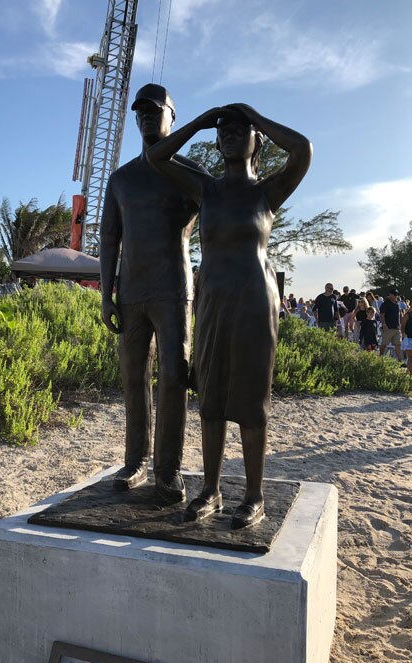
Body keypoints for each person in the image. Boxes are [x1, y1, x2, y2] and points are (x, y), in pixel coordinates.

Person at [148, 101, 311, 529]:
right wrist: (204, 121)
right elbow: (156, 156)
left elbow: (303, 149)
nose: (231, 133)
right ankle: (211, 490)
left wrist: (256, 116)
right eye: (225, 130)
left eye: (240, 130)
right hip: (214, 301)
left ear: (256, 140)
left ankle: (254, 496)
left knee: (253, 402)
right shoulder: (206, 188)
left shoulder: (268, 192)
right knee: (212, 399)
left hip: (255, 303)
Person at [99, 83, 210, 505]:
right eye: (140, 111)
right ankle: (135, 460)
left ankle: (168, 468)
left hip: (172, 289)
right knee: (133, 379)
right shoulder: (121, 178)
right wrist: (106, 295)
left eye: (155, 109)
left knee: (173, 379)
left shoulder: (188, 172)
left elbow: (218, 223)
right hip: (131, 292)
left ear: (172, 117)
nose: (147, 116)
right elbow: (110, 238)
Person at [377, 288, 403, 361]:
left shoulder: (397, 304)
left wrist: (400, 325)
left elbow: (399, 315)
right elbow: (382, 315)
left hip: (396, 328)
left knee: (398, 345)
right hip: (388, 328)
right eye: (394, 294)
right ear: (390, 295)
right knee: (384, 344)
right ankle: (380, 357)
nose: (395, 296)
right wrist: (384, 325)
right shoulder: (385, 304)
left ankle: (400, 360)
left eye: (396, 295)